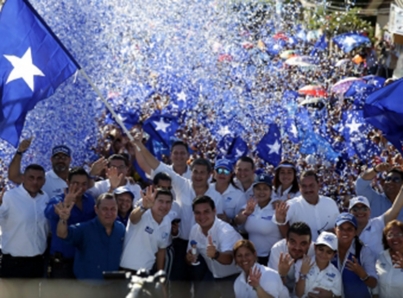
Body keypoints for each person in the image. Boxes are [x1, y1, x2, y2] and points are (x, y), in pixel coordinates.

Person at [55, 193, 125, 281]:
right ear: (96, 209)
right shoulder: (84, 229)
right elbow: (62, 234)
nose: (109, 213)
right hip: (87, 288)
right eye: (105, 209)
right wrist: (63, 219)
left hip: (112, 287)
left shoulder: (121, 228)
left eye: (113, 209)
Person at [44, 167, 96, 278]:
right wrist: (65, 205)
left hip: (85, 261)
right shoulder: (57, 200)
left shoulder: (90, 200)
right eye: (75, 183)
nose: (80, 187)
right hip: (63, 264)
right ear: (67, 182)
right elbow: (48, 213)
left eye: (84, 184)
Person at [186, 196, 242, 298]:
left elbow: (229, 259)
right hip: (213, 275)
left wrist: (216, 254)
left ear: (214, 211)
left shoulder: (226, 230)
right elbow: (189, 257)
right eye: (197, 213)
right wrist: (189, 258)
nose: (202, 216)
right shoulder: (194, 230)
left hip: (235, 277)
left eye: (206, 211)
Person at [0, 164, 49, 278]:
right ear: (23, 178)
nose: (35, 182)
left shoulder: (45, 197)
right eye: (31, 178)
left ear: (44, 181)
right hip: (13, 264)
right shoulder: (9, 197)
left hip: (37, 262)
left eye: (39, 178)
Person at [273, 170, 340, 240]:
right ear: (300, 188)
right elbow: (280, 221)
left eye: (311, 185)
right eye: (304, 186)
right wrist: (280, 220)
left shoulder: (330, 203)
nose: (308, 189)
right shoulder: (292, 205)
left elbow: (338, 225)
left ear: (318, 185)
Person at [120, 187, 173, 273]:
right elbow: (133, 218)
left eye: (168, 202)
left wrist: (160, 275)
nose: (164, 206)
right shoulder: (142, 213)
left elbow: (161, 250)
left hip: (147, 271)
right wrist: (143, 207)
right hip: (126, 270)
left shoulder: (167, 222)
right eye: (161, 201)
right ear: (153, 201)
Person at [235, 174, 281, 265]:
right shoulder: (250, 205)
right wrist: (246, 213)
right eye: (258, 189)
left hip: (272, 257)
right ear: (253, 190)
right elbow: (237, 221)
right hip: (253, 257)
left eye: (265, 189)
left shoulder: (276, 207)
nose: (261, 192)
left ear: (271, 191)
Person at [348, 186, 403, 257]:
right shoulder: (343, 231)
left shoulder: (378, 223)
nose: (360, 212)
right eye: (355, 209)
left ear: (370, 212)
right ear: (349, 212)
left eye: (364, 208)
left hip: (379, 267)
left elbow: (395, 209)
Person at [332, 213, 378, 298]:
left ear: (355, 232)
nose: (345, 232)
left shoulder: (364, 251)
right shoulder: (328, 250)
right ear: (335, 230)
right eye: (341, 228)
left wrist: (363, 275)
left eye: (349, 229)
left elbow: (373, 284)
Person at [268, 222, 315, 294]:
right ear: (287, 240)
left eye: (303, 243)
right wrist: (282, 275)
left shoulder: (315, 251)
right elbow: (273, 287)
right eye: (293, 242)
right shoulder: (277, 250)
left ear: (309, 244)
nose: (297, 248)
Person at [295, 232, 341, 298]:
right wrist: (303, 274)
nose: (323, 254)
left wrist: (331, 295)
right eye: (321, 249)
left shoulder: (336, 274)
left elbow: (339, 296)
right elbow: (298, 294)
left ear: (334, 254)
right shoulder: (301, 263)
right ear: (315, 247)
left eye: (329, 252)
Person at [211, 158, 246, 225]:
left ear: (231, 175)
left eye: (226, 171)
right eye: (219, 170)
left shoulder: (239, 195)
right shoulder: (205, 189)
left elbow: (240, 224)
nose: (222, 174)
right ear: (214, 173)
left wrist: (229, 220)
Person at [376, 220, 403, 298]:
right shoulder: (381, 256)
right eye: (390, 235)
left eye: (399, 234)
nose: (395, 238)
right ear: (386, 240)